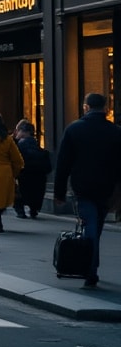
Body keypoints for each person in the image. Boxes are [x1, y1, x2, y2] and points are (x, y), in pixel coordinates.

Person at [54, 92, 121, 288]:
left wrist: (59, 193)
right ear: (105, 108)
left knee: (89, 225)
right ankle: (92, 264)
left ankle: (90, 269)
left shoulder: (74, 129)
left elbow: (63, 164)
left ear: (86, 107)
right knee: (96, 225)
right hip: (107, 188)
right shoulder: (115, 131)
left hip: (82, 187)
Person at [13, 120, 51, 219]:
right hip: (38, 176)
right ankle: (33, 209)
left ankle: (20, 210)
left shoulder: (19, 146)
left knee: (18, 190)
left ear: (24, 132)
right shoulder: (37, 146)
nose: (16, 133)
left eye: (18, 130)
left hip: (24, 175)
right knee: (35, 191)